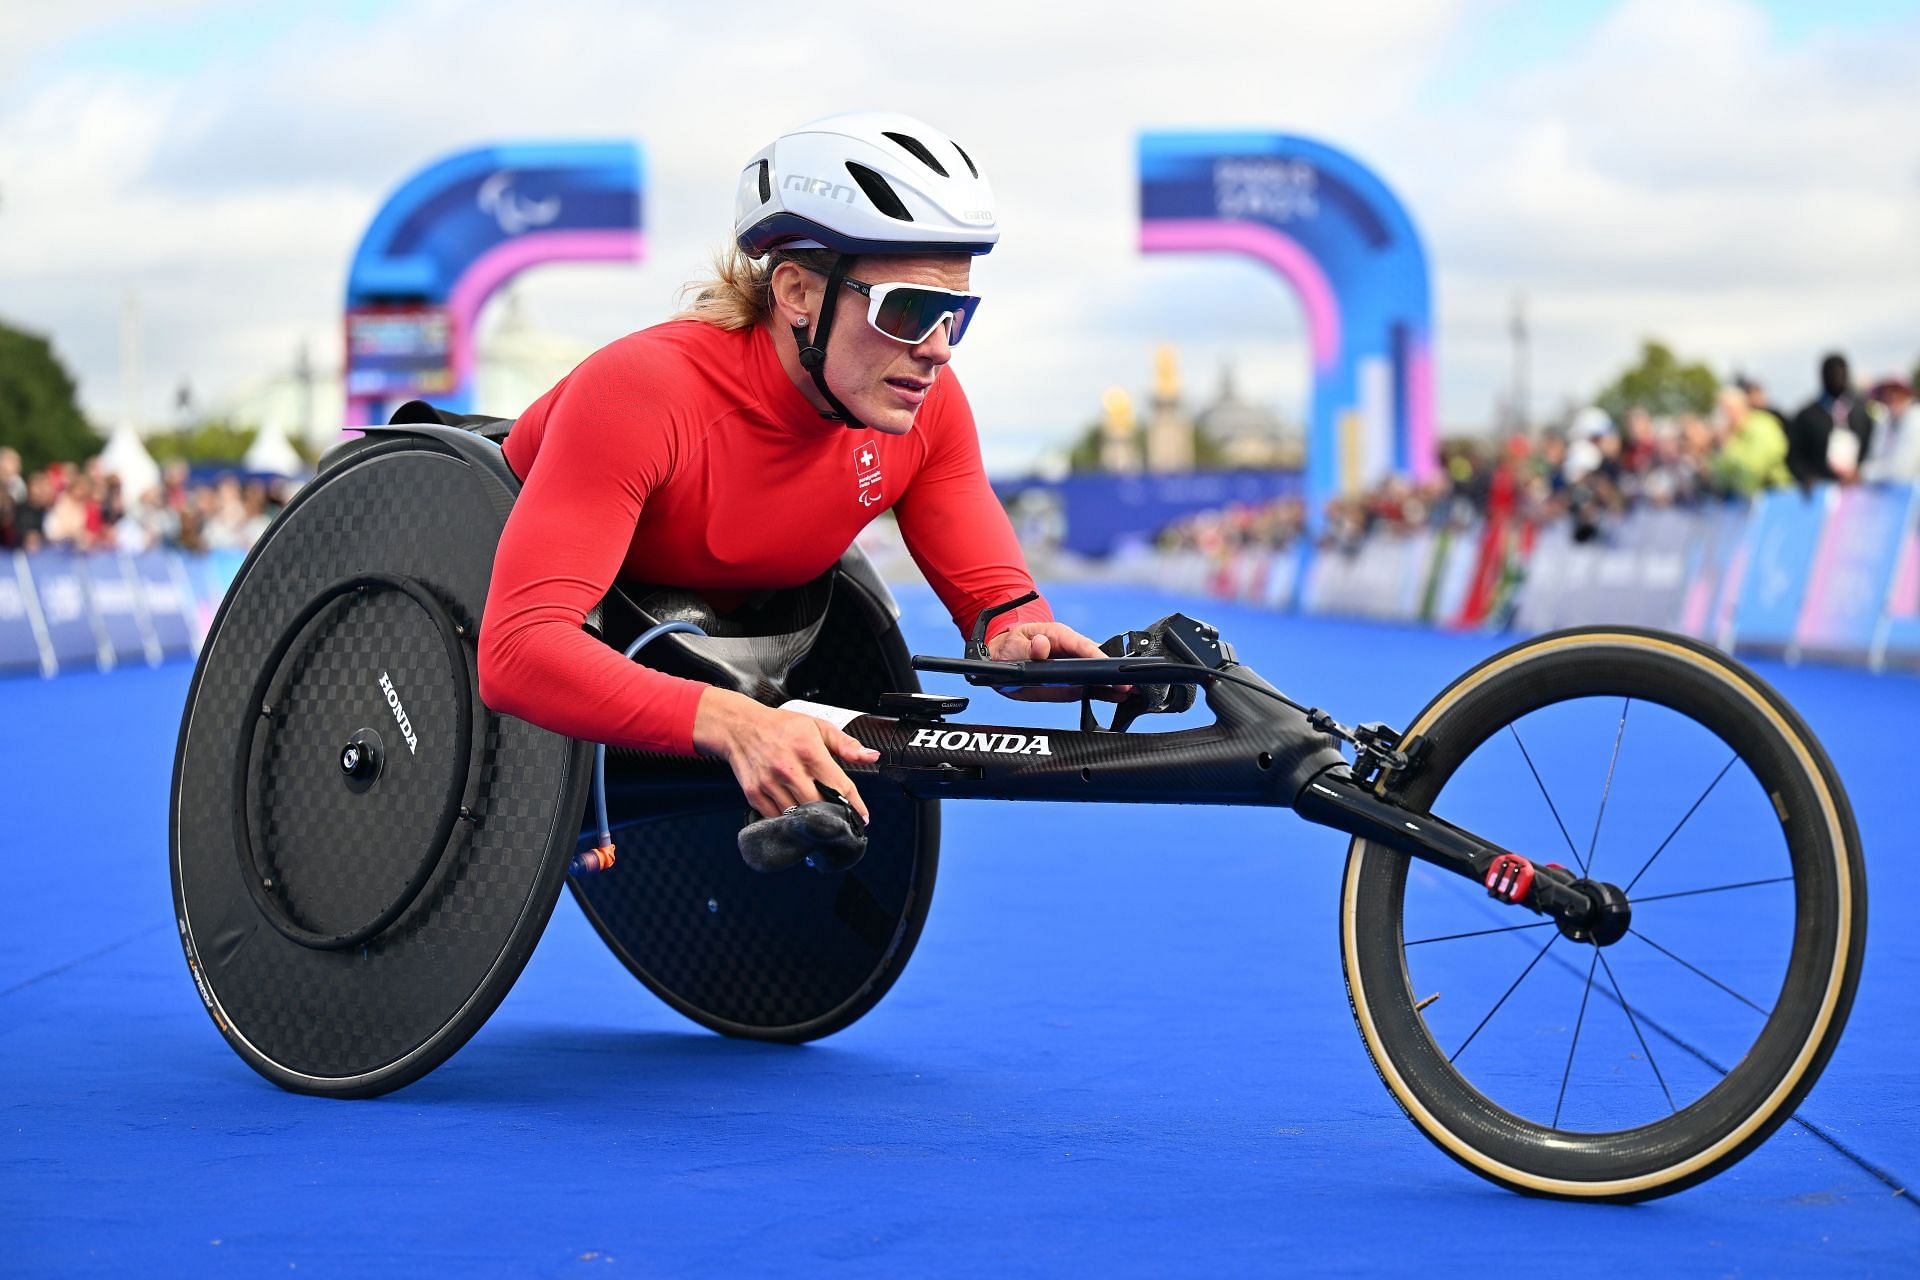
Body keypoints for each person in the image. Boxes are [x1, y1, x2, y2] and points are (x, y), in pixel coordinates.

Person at [477, 112, 1115, 829]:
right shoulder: (640, 394)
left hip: (726, 638)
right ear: (797, 292)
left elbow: (1000, 606)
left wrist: (1023, 642)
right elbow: (517, 651)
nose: (938, 350)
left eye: (954, 316)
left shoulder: (925, 408)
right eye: (907, 310)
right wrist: (735, 722)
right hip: (504, 639)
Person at [1787, 353, 1875, 486]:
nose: (1837, 377)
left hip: (1859, 489)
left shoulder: (1862, 412)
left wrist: (1861, 472)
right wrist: (1807, 477)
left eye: (1841, 372)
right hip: (1821, 493)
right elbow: (1794, 457)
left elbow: (1873, 449)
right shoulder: (1806, 416)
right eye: (1831, 373)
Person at [1863, 378, 1919, 482]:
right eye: (1887, 393)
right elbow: (1875, 454)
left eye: (1896, 391)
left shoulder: (1916, 420)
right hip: (1889, 490)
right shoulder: (1886, 420)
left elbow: (1902, 468)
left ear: (1906, 393)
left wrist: (1863, 473)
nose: (1891, 396)